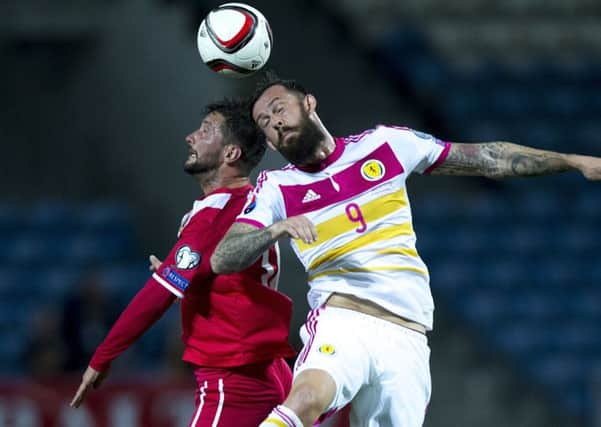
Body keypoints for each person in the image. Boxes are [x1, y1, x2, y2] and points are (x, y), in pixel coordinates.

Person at [210, 77, 601, 427]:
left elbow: (488, 158)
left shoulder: (386, 145)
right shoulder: (277, 188)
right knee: (307, 398)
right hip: (344, 321)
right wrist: (275, 228)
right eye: (264, 123)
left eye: (278, 109)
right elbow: (222, 257)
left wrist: (571, 161)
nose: (274, 123)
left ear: (309, 103)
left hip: (407, 337)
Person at [70, 98, 296, 427]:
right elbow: (228, 274)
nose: (190, 136)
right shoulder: (252, 202)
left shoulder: (214, 214)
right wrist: (181, 272)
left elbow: (157, 296)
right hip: (266, 369)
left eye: (205, 131)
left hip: (235, 381)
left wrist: (103, 357)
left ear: (231, 153)